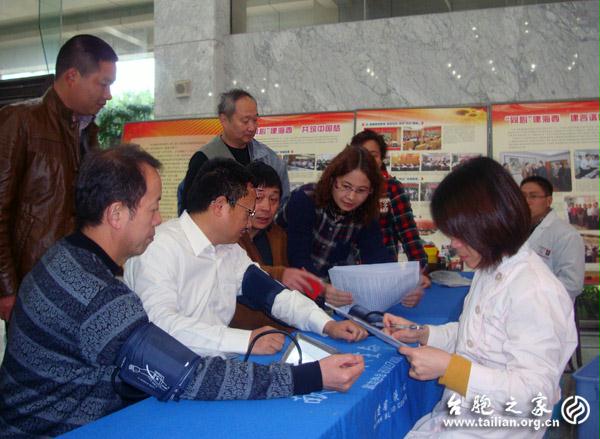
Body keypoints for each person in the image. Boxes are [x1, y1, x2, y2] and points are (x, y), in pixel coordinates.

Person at [0, 145, 364, 437]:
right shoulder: (100, 293)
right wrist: (312, 377)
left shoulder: (66, 257)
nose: (159, 219)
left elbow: (272, 294)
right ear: (116, 214)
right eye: (153, 208)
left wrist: (325, 324)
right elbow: (186, 374)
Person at [384, 157, 576, 438]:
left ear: (492, 222)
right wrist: (423, 334)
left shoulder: (535, 290)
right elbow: (478, 336)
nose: (453, 244)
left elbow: (535, 394)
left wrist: (451, 369)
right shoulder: (490, 268)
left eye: (461, 234)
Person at [125, 158, 367, 358]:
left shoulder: (229, 250)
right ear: (220, 206)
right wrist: (246, 341)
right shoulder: (159, 247)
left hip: (214, 368)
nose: (250, 221)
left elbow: (274, 295)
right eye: (248, 211)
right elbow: (161, 326)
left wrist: (326, 324)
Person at [0, 34, 117, 322]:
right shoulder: (20, 121)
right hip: (34, 281)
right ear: (72, 76)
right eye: (103, 83)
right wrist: (6, 289)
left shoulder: (88, 132)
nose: (108, 95)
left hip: (81, 277)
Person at [232, 161, 353, 328]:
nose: (267, 207)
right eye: (258, 198)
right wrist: (281, 274)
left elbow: (294, 280)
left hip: (282, 328)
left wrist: (322, 292)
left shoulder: (279, 235)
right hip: (243, 331)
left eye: (273, 199)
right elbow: (242, 275)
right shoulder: (230, 237)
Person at [277, 145, 395, 307]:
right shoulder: (305, 200)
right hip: (284, 284)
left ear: (371, 191)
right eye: (346, 186)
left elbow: (376, 256)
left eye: (361, 190)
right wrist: (322, 289)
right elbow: (297, 259)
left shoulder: (365, 212)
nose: (351, 197)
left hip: (324, 289)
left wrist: (401, 282)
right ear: (332, 179)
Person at [351, 130, 430, 307]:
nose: (368, 160)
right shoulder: (346, 190)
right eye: (363, 154)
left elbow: (408, 233)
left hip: (383, 276)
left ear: (381, 159)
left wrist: (421, 270)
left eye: (374, 155)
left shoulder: (391, 188)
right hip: (349, 275)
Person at [178, 89, 289, 214]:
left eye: (255, 120)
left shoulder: (269, 158)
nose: (252, 127)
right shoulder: (204, 158)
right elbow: (191, 210)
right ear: (224, 119)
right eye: (245, 121)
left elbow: (283, 205)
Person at [520, 175, 585, 302]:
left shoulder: (566, 235)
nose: (526, 201)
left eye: (533, 196)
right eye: (522, 196)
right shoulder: (515, 229)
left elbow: (572, 284)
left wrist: (532, 294)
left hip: (549, 308)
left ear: (548, 201)